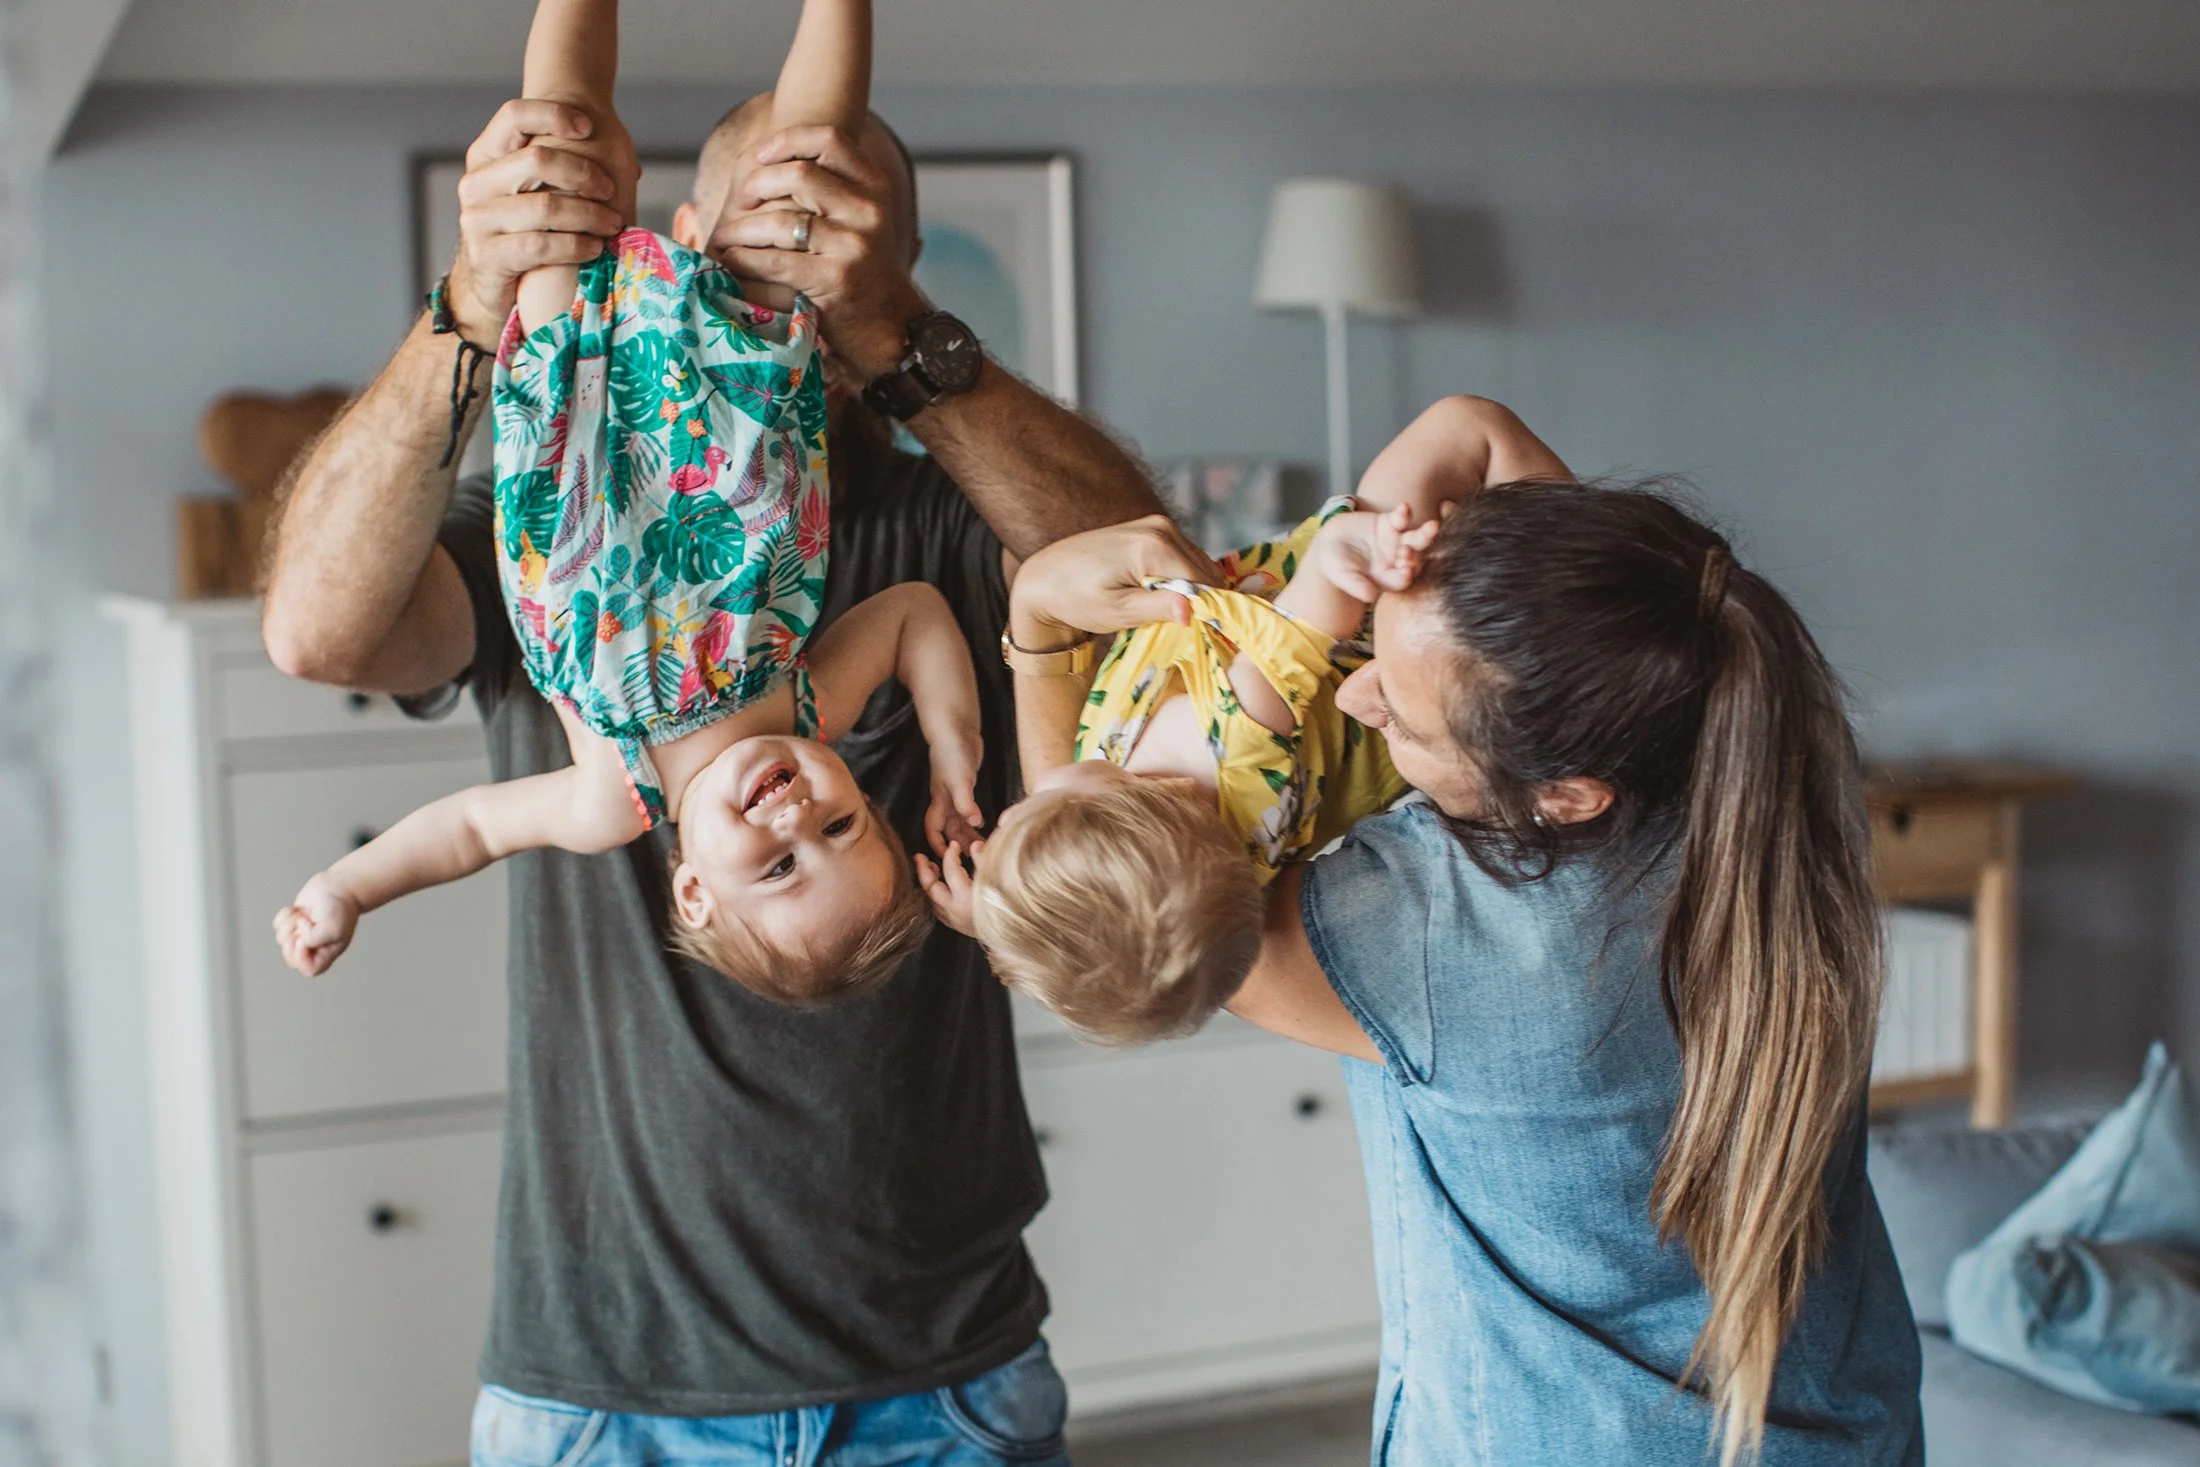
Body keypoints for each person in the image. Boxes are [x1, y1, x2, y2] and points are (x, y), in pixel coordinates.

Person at [261, 69, 1159, 1467]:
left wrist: (896, 332)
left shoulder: (950, 527)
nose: (793, 257)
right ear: (686, 234)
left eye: (843, 231)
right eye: (766, 219)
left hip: (942, 1374)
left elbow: (1157, 566)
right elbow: (316, 632)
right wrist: (474, 305)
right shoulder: (564, 534)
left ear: (891, 266)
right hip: (609, 1388)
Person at [1010, 395, 1925, 1465]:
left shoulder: (1435, 932)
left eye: (1400, 712)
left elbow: (1116, 901)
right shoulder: (1769, 770)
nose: (1354, 704)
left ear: (1566, 796)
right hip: (1838, 1426)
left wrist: (1038, 622)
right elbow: (1482, 442)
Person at [272, 0, 986, 1005]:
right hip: (744, 411)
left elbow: (470, 828)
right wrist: (956, 760)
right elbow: (917, 616)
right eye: (845, 826)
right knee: (806, 175)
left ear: (692, 890)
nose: (797, 819)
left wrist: (347, 889)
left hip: (576, 413)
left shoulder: (613, 798)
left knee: (562, 139)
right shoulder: (812, 707)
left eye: (779, 866)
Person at [921, 402, 1522, 1044]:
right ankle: (1581, 540)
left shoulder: (1174, 856)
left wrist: (1002, 911)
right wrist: (1343, 553)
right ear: (1124, 805)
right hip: (1367, 608)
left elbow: (1114, 925)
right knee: (1457, 434)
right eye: (1025, 816)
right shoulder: (1235, 745)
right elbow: (1308, 626)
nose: (1007, 812)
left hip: (1303, 658)